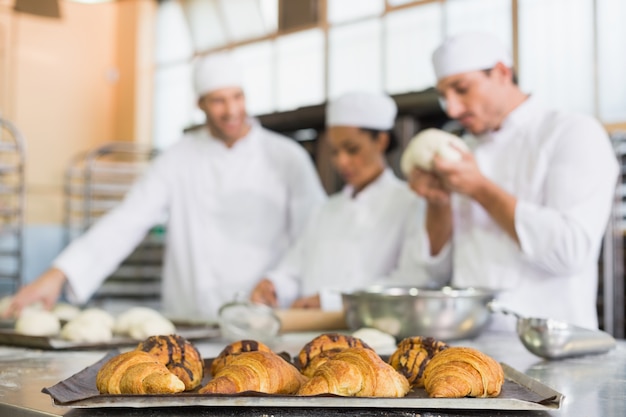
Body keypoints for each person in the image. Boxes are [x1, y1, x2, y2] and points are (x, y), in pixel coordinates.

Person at [4, 52, 326, 320]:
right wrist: (58, 275)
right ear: (200, 104)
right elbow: (128, 219)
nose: (231, 111)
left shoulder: (287, 157)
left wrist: (282, 282)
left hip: (264, 320)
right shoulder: (179, 157)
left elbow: (315, 234)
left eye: (237, 97)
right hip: (193, 319)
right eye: (218, 101)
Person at [407, 32, 619, 331]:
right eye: (444, 96)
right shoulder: (459, 149)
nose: (452, 109)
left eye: (462, 89)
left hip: (551, 349)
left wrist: (480, 189)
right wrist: (439, 204)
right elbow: (434, 274)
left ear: (502, 73)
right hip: (472, 348)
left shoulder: (571, 133)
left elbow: (570, 252)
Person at [250, 91, 429, 310]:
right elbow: (294, 269)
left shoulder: (411, 203)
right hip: (310, 337)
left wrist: (332, 301)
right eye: (334, 151)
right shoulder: (325, 210)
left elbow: (411, 281)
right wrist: (273, 285)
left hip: (372, 338)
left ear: (381, 141)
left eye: (352, 149)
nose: (342, 162)